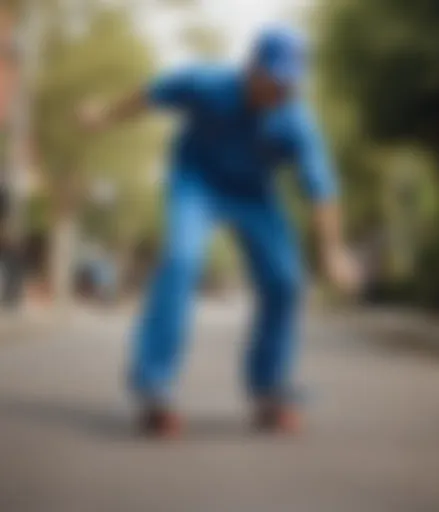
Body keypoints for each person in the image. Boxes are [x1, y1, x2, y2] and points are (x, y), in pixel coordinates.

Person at [79, 27, 359, 438]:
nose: (281, 91)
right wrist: (103, 115)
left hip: (255, 194)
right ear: (251, 68)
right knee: (181, 259)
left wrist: (333, 251)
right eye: (274, 81)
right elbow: (149, 95)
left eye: (289, 83)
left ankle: (268, 388)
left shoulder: (295, 119)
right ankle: (154, 385)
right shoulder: (206, 84)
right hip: (196, 182)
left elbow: (322, 190)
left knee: (285, 280)